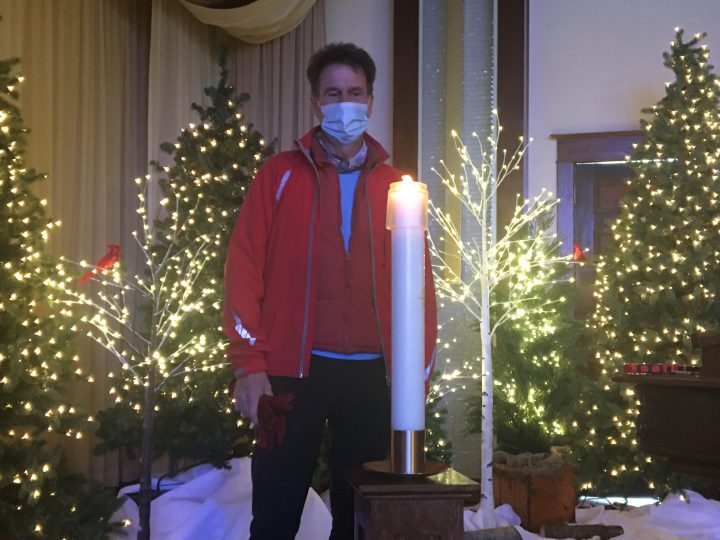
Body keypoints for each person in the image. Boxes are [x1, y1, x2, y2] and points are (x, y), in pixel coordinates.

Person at [223, 42, 437, 540]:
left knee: (359, 519)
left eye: (355, 92)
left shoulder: (398, 188)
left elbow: (419, 289)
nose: (345, 103)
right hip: (291, 374)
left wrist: (416, 377)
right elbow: (243, 269)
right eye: (334, 93)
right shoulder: (277, 176)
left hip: (371, 377)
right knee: (275, 513)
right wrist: (249, 365)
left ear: (370, 101)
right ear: (316, 102)